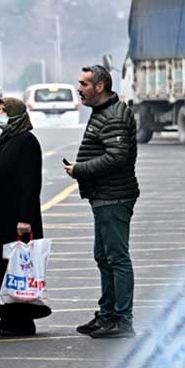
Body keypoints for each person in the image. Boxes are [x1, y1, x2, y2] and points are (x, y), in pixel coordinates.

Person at [66, 65, 139, 339]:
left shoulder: (114, 116)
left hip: (114, 196)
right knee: (103, 256)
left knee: (117, 258)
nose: (79, 89)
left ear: (100, 86)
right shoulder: (103, 112)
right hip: (103, 196)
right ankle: (107, 315)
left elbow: (117, 156)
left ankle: (122, 320)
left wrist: (79, 169)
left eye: (84, 84)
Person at [0, 96, 48, 337]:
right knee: (6, 268)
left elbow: (30, 184)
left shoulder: (26, 141)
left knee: (19, 270)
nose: (0, 114)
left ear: (17, 114)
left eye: (4, 110)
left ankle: (22, 320)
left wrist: (25, 219)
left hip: (19, 218)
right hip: (2, 215)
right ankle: (8, 317)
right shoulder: (4, 138)